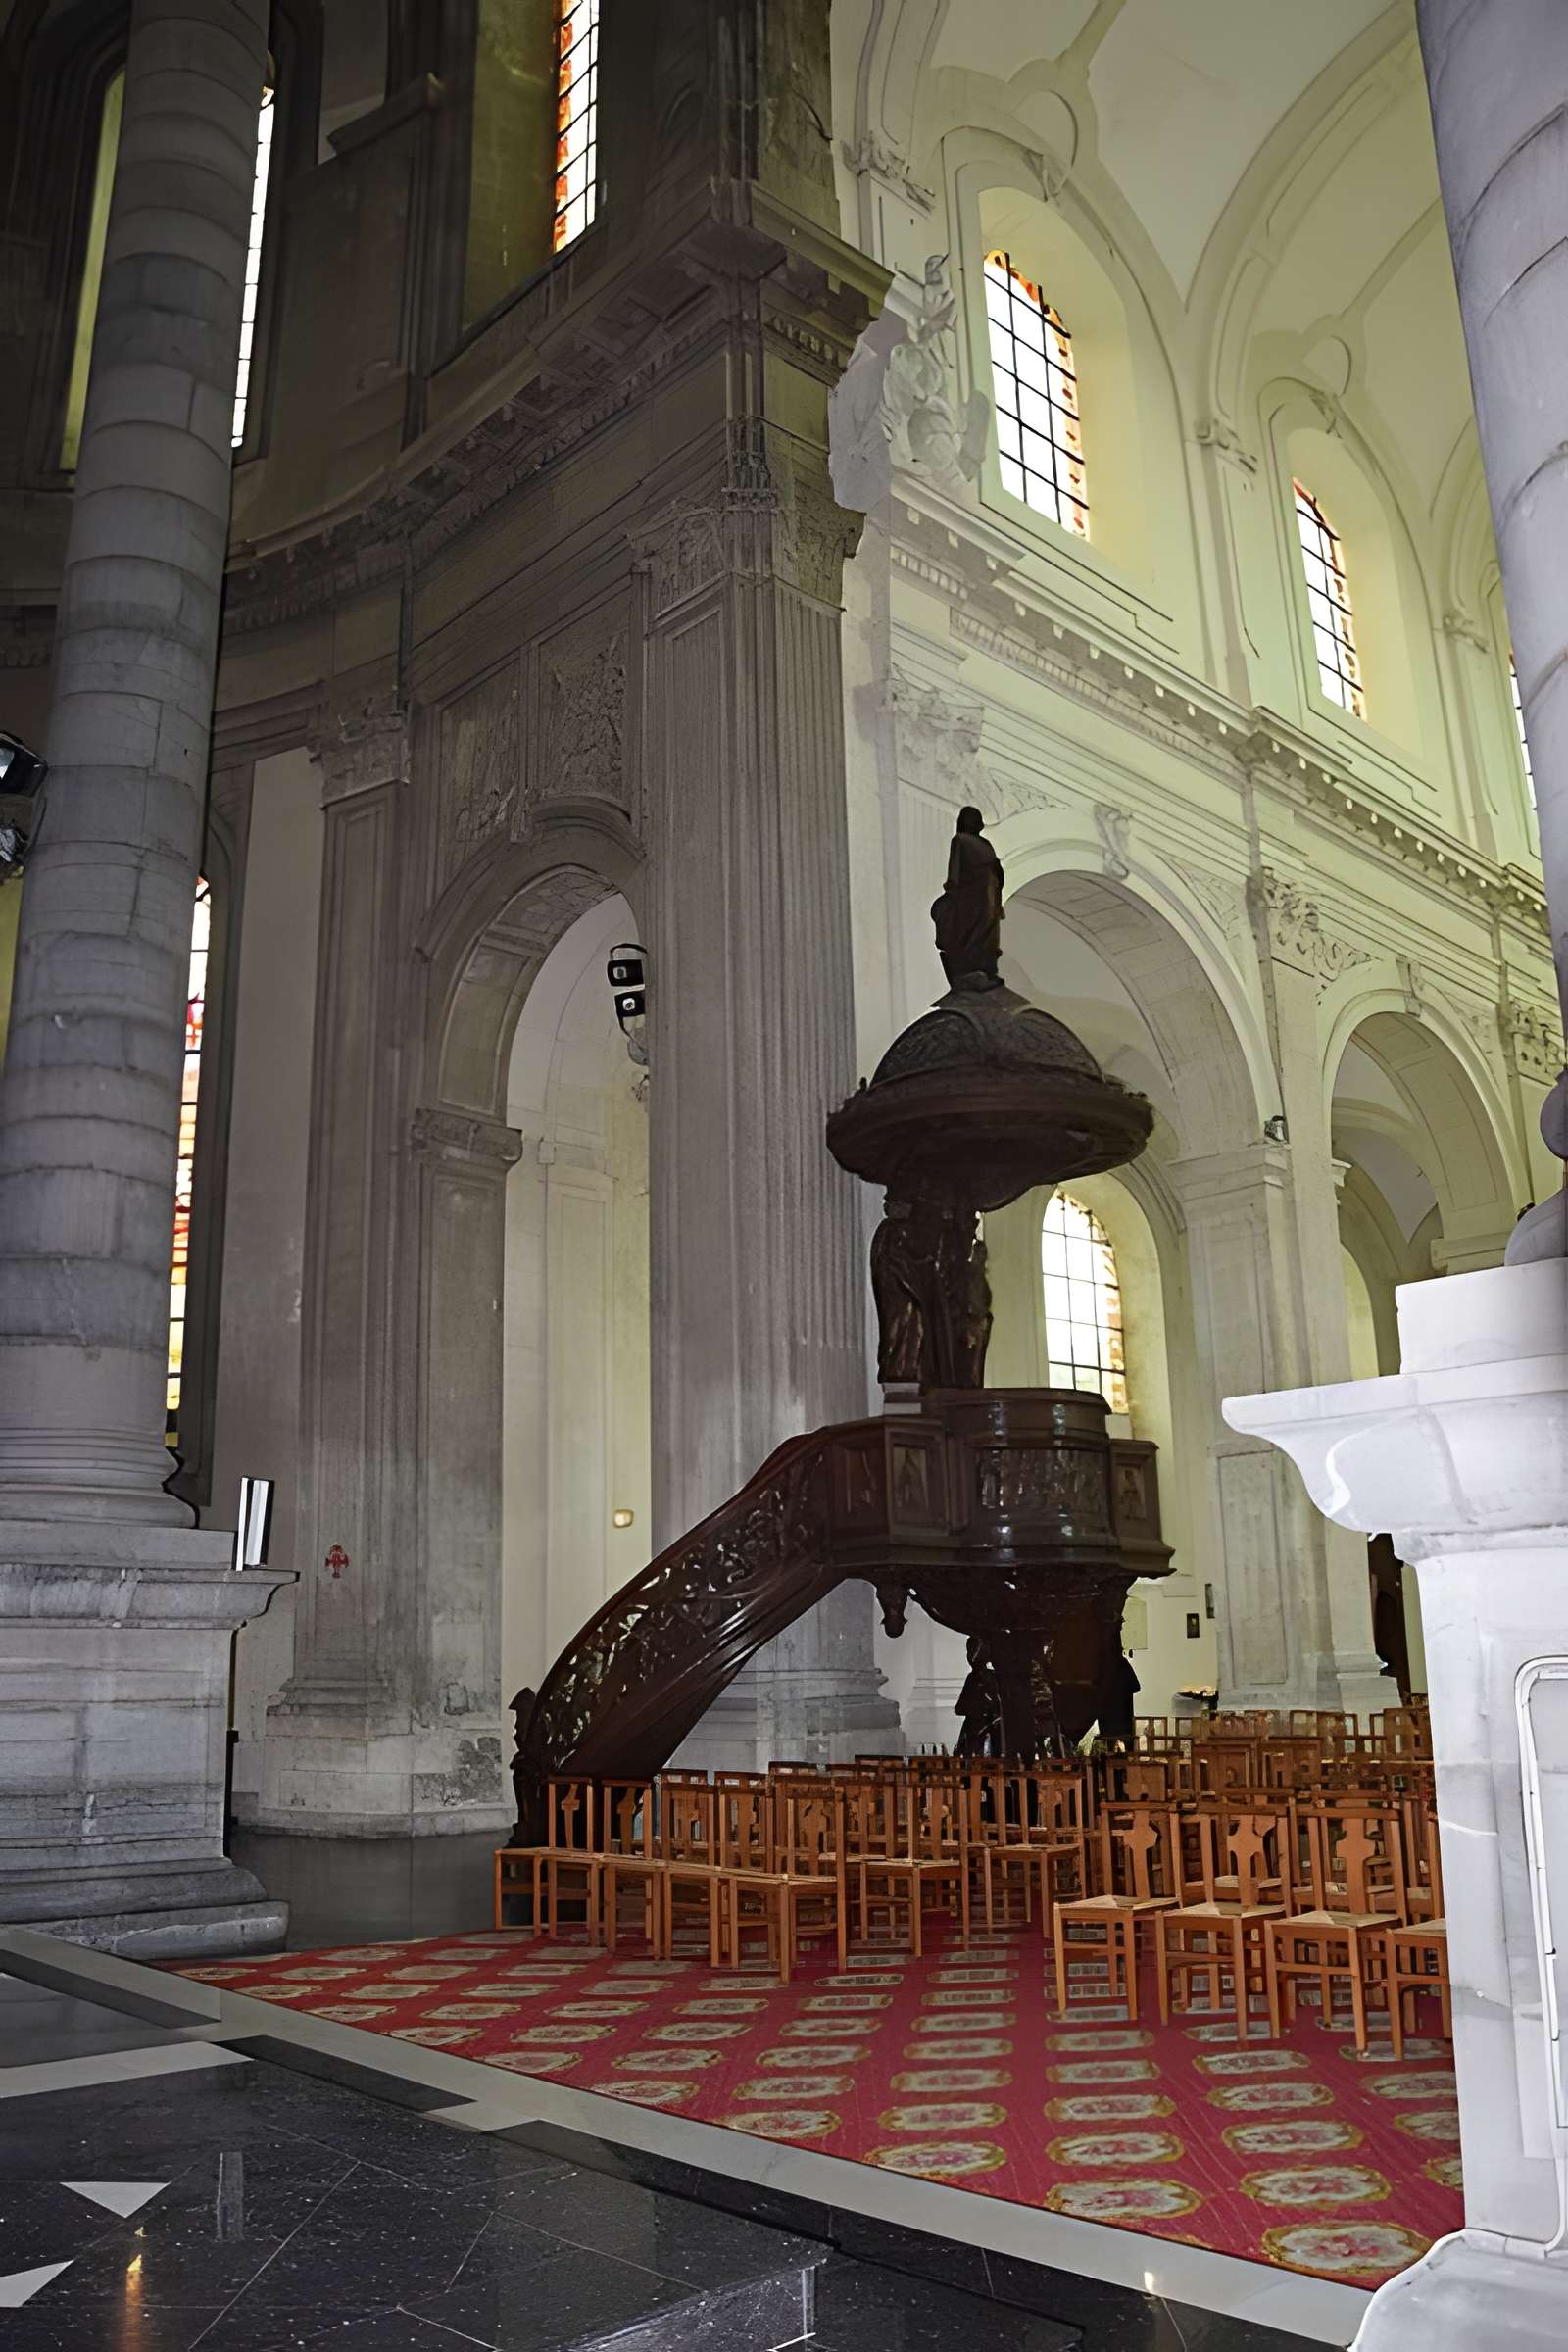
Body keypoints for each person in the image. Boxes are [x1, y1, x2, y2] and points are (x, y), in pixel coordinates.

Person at [931, 805, 1004, 987]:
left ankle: (973, 968)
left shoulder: (960, 840)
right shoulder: (986, 845)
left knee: (969, 931)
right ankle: (985, 968)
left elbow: (955, 870)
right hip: (989, 893)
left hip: (971, 895)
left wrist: (952, 890)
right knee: (985, 931)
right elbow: (998, 871)